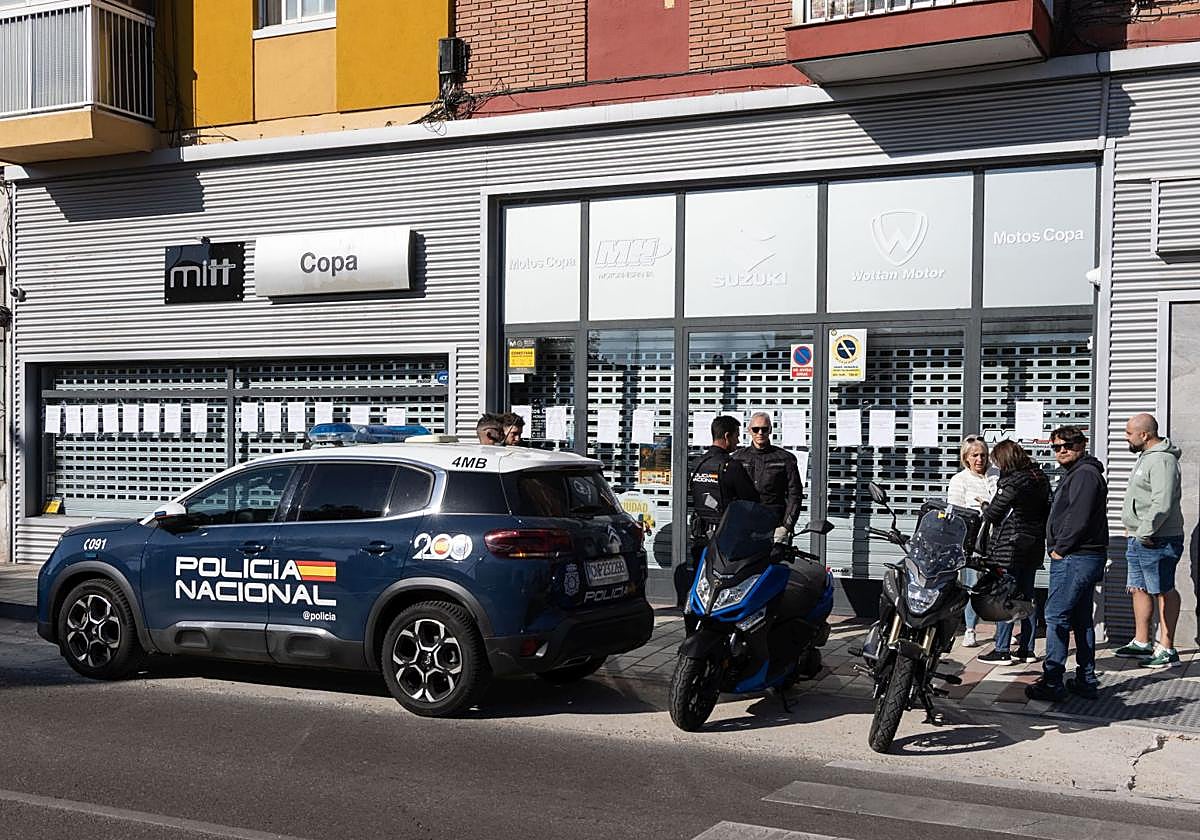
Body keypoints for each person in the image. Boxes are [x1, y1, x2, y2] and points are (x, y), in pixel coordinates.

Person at [1026, 426, 1109, 701]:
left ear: (1083, 444)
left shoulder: (1084, 474)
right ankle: (1086, 679)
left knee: (1055, 616)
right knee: (1080, 618)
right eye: (1057, 446)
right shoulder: (1079, 473)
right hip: (1081, 557)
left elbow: (1079, 516)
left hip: (1076, 557)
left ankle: (1052, 681)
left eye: (1069, 444)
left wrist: (1060, 549)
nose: (1062, 449)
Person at [1117, 413, 1185, 669]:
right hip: (1140, 536)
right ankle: (1142, 641)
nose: (1126, 437)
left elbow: (1162, 502)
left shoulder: (1162, 461)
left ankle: (1167, 647)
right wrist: (1133, 529)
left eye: (1128, 433)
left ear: (1144, 435)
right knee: (1138, 587)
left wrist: (1145, 530)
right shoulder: (1146, 458)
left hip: (1158, 538)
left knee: (1163, 588)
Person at [976, 440, 1050, 666]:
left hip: (1010, 546)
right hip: (1033, 544)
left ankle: (1002, 649)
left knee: (1005, 597)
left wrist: (986, 506)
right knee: (1027, 597)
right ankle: (1027, 649)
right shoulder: (1040, 478)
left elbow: (995, 513)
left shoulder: (1012, 481)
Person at [678, 415, 760, 608]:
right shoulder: (731, 467)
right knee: (723, 587)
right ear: (726, 436)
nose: (738, 441)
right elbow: (752, 500)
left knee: (699, 583)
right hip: (725, 539)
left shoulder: (697, 464)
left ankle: (694, 620)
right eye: (737, 437)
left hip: (700, 536)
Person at [946, 435, 998, 648]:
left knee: (997, 585)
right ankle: (970, 629)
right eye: (975, 455)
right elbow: (955, 513)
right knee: (973, 584)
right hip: (974, 541)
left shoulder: (996, 474)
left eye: (983, 455)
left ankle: (1000, 630)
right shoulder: (960, 480)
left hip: (997, 538)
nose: (980, 459)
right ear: (966, 457)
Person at [732, 411, 803, 543]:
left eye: (764, 429)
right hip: (744, 524)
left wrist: (786, 527)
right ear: (749, 430)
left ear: (770, 430)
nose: (760, 433)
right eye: (756, 429)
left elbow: (795, 494)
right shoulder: (737, 458)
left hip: (774, 524)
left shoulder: (785, 458)